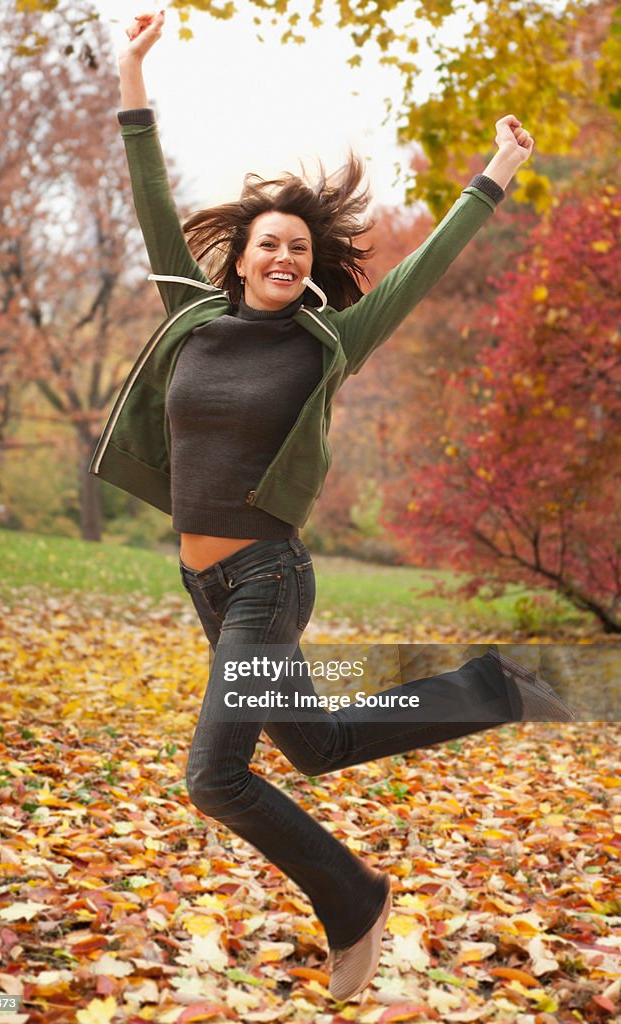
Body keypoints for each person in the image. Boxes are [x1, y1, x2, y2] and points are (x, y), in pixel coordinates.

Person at [90, 10, 575, 1001]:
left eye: (298, 252)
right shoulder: (188, 315)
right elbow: (148, 195)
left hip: (269, 577)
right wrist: (132, 76)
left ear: (308, 266)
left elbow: (416, 271)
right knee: (314, 744)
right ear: (238, 257)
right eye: (269, 245)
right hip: (207, 584)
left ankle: (352, 899)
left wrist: (492, 177)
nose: (283, 260)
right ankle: (494, 687)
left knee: (215, 777)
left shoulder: (327, 341)